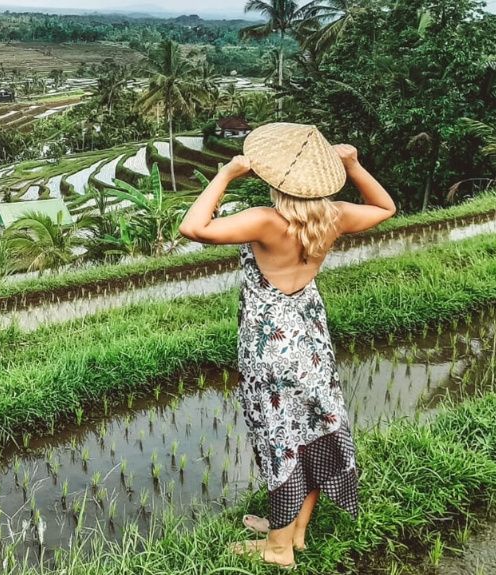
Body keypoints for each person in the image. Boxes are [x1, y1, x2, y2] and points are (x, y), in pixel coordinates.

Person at [178, 123, 396, 569]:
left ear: (276, 181)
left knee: (281, 442)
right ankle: (293, 532)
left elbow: (193, 227)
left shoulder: (266, 220)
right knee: (313, 432)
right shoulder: (333, 215)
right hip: (311, 345)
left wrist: (226, 173)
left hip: (271, 351)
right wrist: (354, 164)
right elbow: (385, 206)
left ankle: (278, 550)